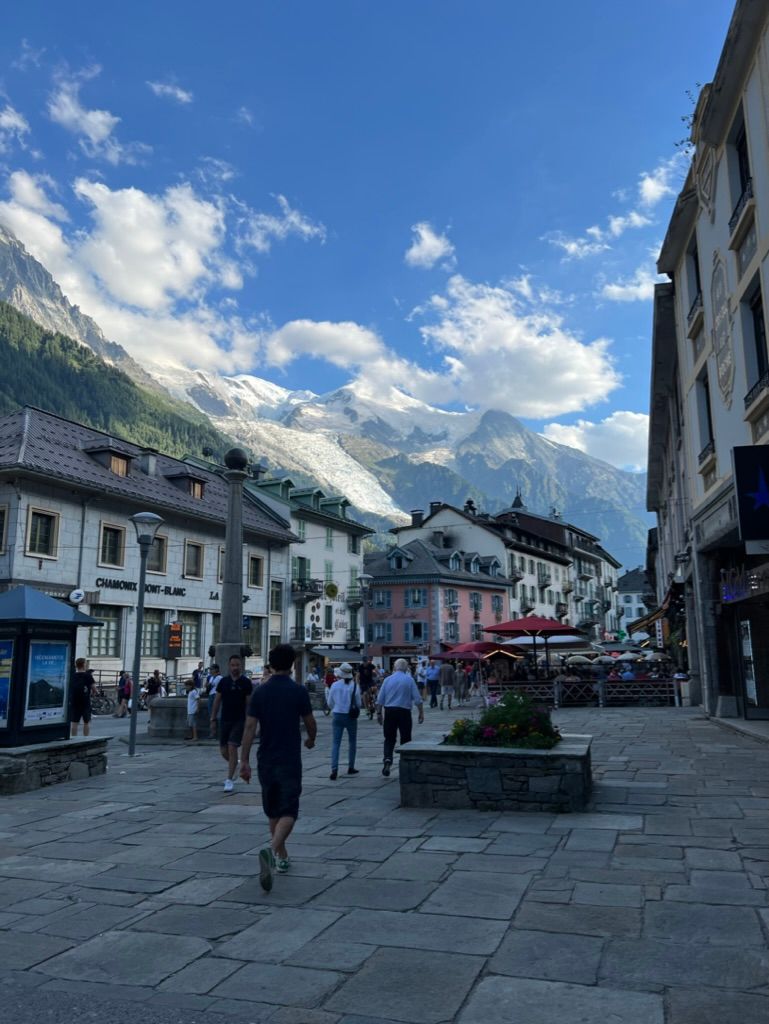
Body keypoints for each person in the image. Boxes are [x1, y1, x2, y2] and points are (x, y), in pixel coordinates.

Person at [239, 644, 317, 892]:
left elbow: (250, 728)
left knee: (273, 810)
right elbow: (310, 722)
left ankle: (282, 857)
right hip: (289, 758)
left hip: (266, 758)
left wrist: (244, 761)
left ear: (271, 664)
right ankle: (272, 851)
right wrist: (311, 739)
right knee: (289, 810)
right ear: (292, 664)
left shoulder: (260, 692)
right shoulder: (298, 691)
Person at [210, 653, 253, 793]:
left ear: (241, 666)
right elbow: (217, 701)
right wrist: (213, 719)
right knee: (223, 750)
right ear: (229, 666)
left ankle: (229, 779)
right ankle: (235, 765)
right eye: (233, 665)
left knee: (232, 746)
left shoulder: (246, 682)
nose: (235, 668)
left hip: (239, 720)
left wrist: (250, 721)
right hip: (225, 719)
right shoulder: (224, 682)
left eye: (237, 665)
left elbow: (249, 703)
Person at [375, 657, 424, 777]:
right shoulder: (409, 680)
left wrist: (379, 713)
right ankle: (405, 763)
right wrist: (421, 712)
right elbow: (417, 699)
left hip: (390, 711)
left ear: (394, 667)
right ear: (406, 668)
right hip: (404, 712)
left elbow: (380, 699)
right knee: (405, 738)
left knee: (389, 738)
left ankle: (387, 759)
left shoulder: (387, 680)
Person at [327, 662, 360, 780]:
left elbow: (329, 703)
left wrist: (336, 708)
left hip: (337, 714)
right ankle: (351, 766)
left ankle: (334, 769)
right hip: (350, 716)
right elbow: (358, 703)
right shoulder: (354, 686)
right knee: (352, 742)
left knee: (336, 743)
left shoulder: (334, 685)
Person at [70, 657, 95, 737]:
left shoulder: (72, 675)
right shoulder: (88, 675)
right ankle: (86, 738)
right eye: (86, 663)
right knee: (86, 722)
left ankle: (73, 738)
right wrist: (95, 693)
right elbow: (94, 688)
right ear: (84, 665)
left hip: (74, 701)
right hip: (85, 701)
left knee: (74, 722)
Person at [185, 677, 200, 742]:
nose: (186, 687)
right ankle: (191, 736)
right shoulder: (190, 692)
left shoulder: (194, 691)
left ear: (190, 686)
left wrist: (197, 708)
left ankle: (195, 737)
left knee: (193, 724)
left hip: (193, 710)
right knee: (190, 724)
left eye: (187, 686)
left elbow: (198, 699)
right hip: (190, 710)